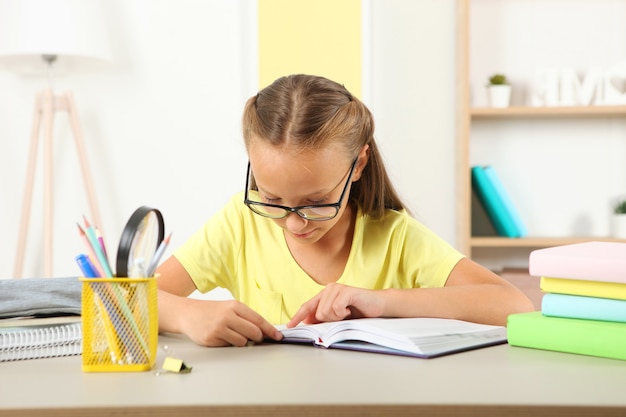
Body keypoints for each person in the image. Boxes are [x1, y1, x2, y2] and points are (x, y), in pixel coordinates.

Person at [156, 74, 534, 347]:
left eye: (316, 202)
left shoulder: (394, 237)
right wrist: (185, 315)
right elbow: (115, 300)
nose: (292, 222)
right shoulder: (240, 223)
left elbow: (512, 305)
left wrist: (384, 302)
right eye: (272, 200)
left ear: (358, 164)